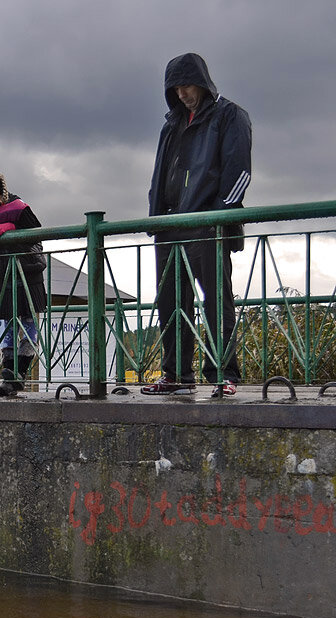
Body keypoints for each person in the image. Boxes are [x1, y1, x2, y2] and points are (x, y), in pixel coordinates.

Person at [144, 53, 251, 398]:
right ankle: (176, 373)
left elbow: (239, 171)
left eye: (187, 85)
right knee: (170, 302)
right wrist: (155, 218)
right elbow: (160, 173)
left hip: (208, 223)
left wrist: (221, 215)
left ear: (202, 81)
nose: (182, 93)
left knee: (216, 300)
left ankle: (223, 373)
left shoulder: (229, 115)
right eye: (175, 88)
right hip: (170, 225)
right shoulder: (170, 124)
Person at [0, 167, 47, 397]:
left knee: (28, 322)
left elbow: (36, 233)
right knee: (10, 323)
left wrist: (14, 228)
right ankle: (9, 376)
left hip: (28, 272)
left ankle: (19, 373)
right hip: (5, 274)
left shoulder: (19, 207)